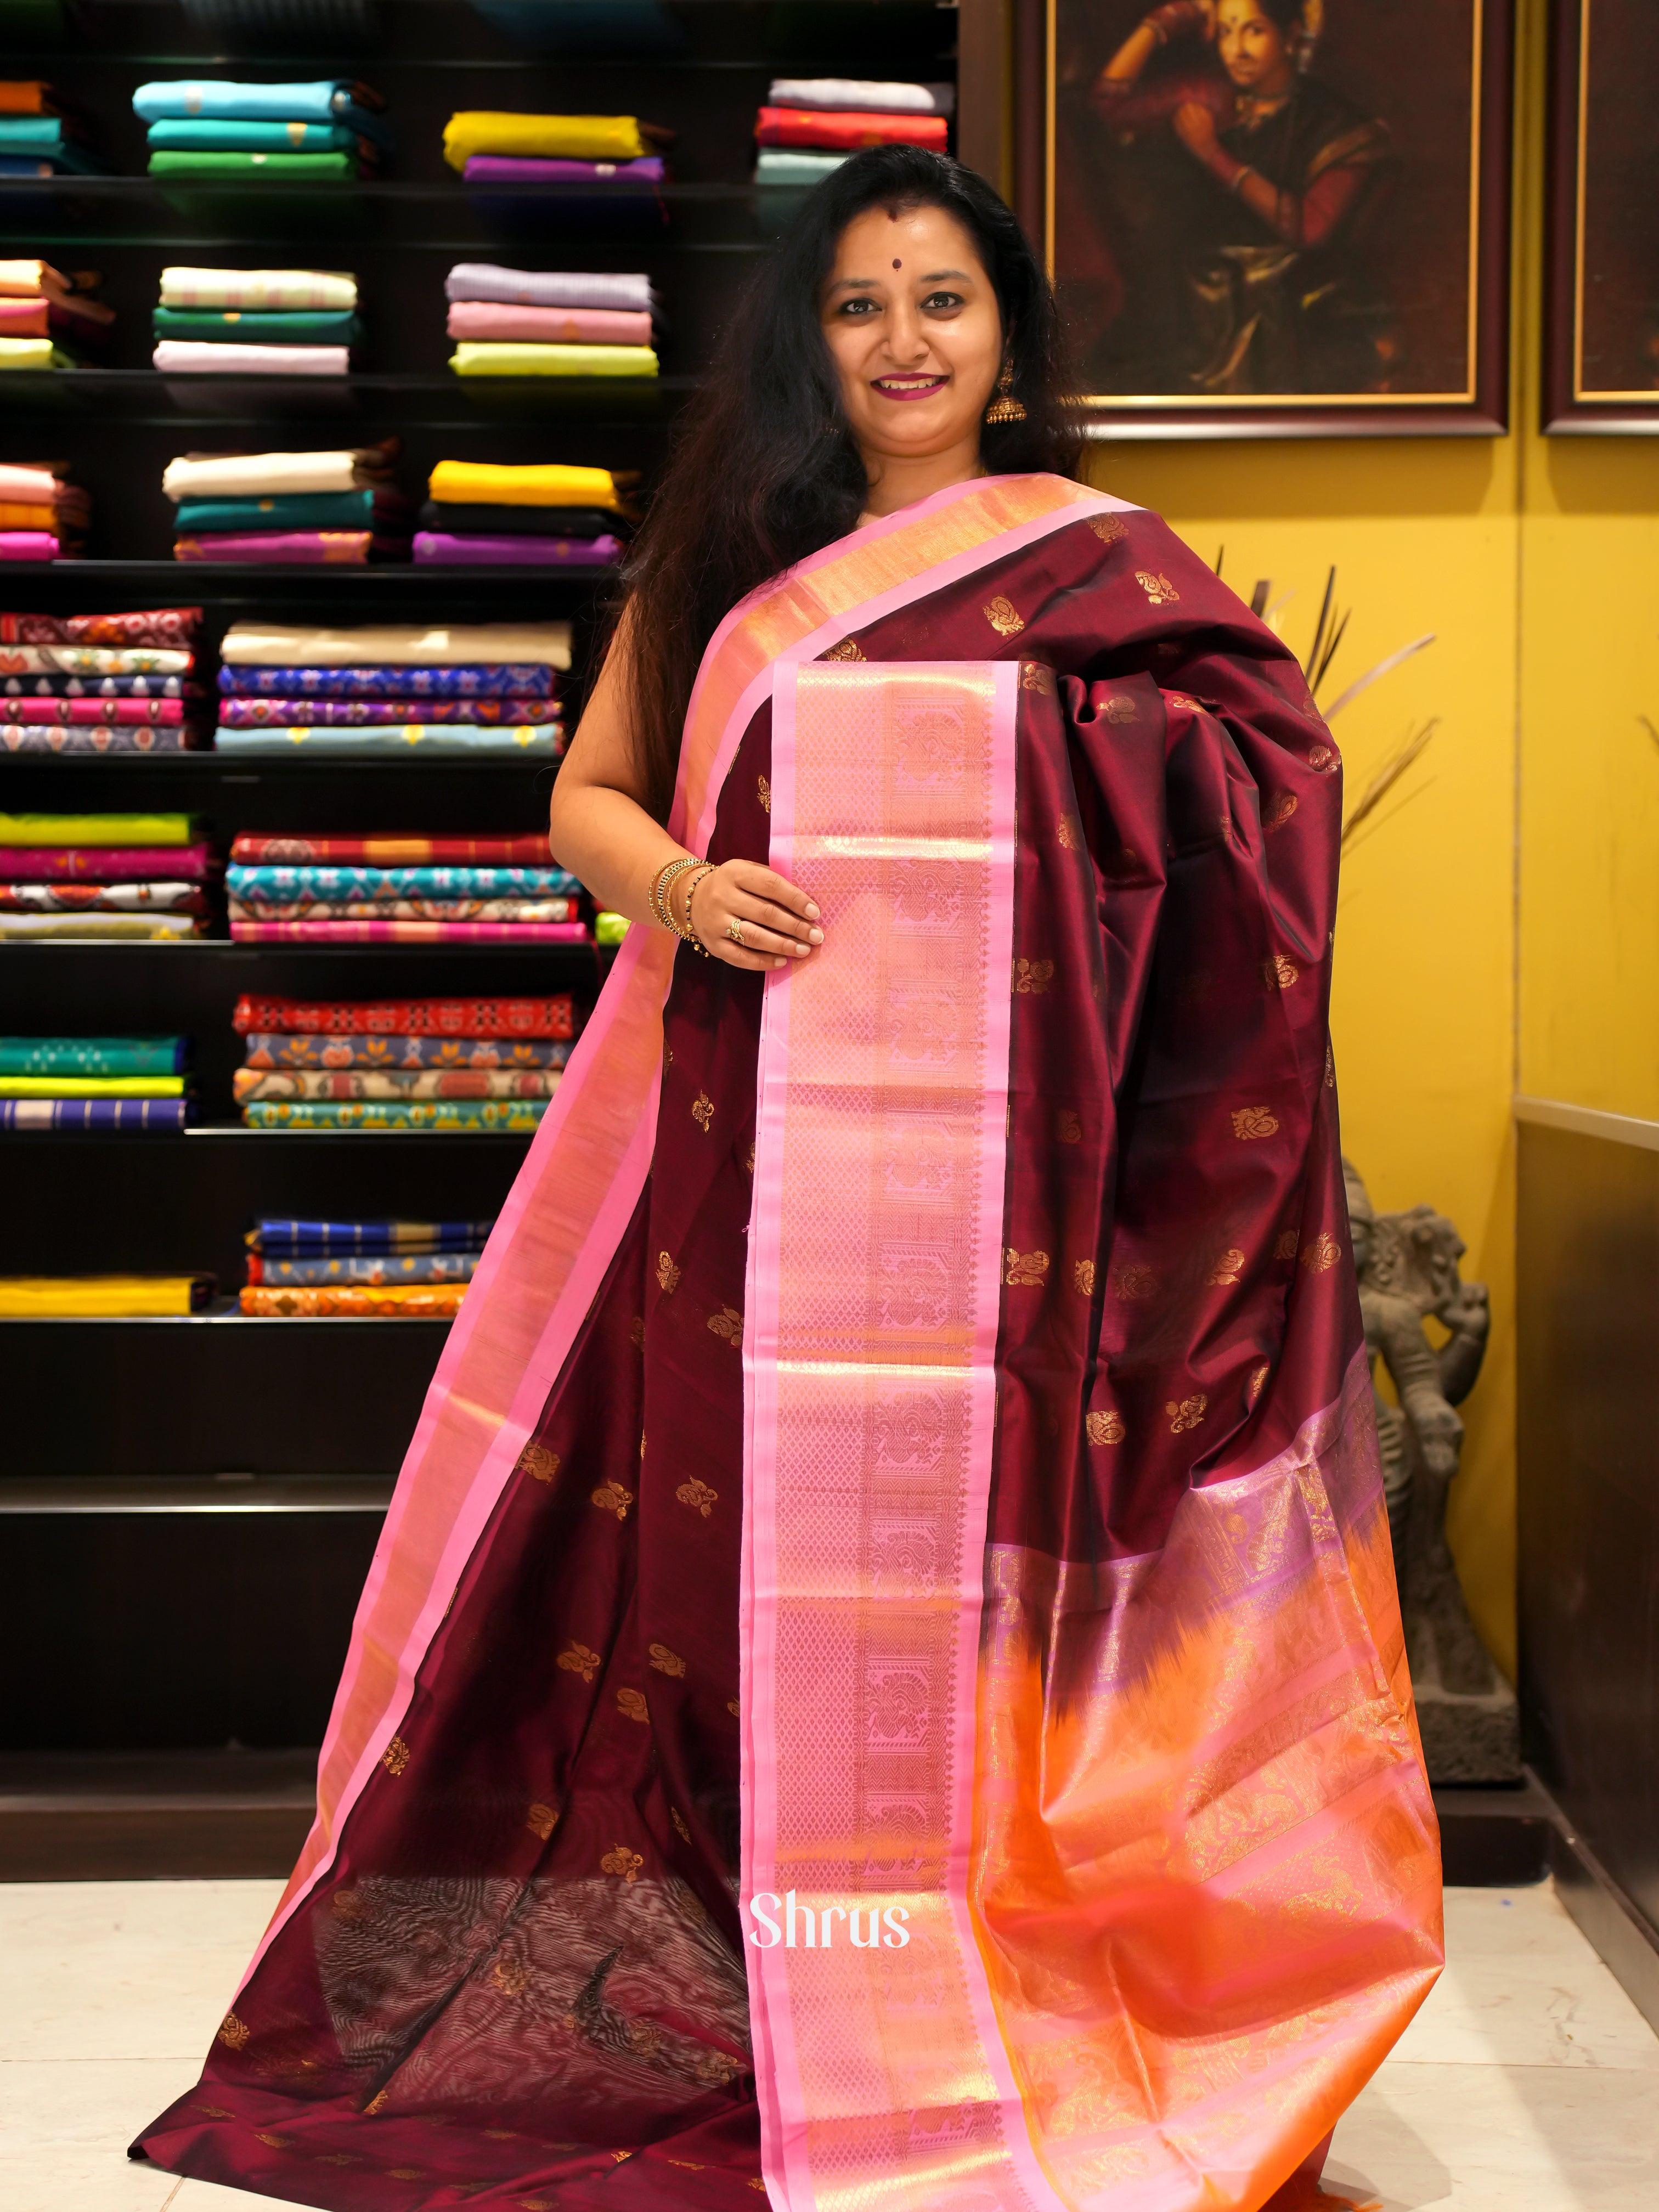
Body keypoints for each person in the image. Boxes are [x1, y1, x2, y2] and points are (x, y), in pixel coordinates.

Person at [135, 145, 1441, 2212]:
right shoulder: (739, 580)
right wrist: (679, 879)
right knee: (727, 1584)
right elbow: (585, 795)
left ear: (1007, 342)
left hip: (1021, 1206)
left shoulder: (1107, 574)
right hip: (748, 1181)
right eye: (855, 306)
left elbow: (1247, 793)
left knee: (980, 1586)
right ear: (805, 345)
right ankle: (766, 1976)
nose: (901, 340)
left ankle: (991, 1967)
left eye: (940, 298)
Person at [1093, 0, 1396, 392]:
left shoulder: (1339, 125)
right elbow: (1107, 105)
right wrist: (1163, 22)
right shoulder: (1210, 95)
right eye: (1225, 32)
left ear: (1290, 36)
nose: (1236, 50)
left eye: (1253, 30)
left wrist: (1212, 155)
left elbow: (1308, 227)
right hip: (1198, 307)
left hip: (1294, 311)